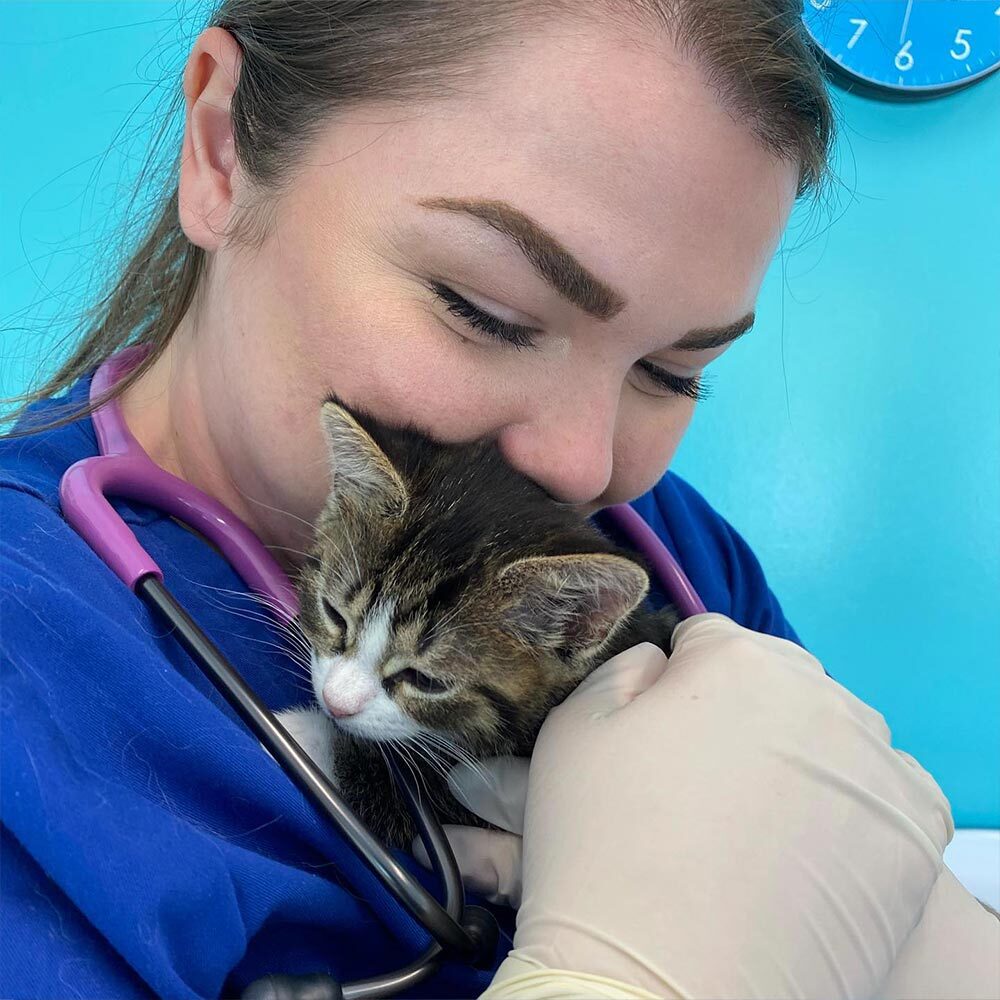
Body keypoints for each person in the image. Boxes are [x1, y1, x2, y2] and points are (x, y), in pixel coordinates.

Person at [0, 2, 996, 998]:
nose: (579, 465)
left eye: (672, 371)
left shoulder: (677, 560)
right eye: (489, 311)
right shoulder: (31, 658)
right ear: (220, 149)